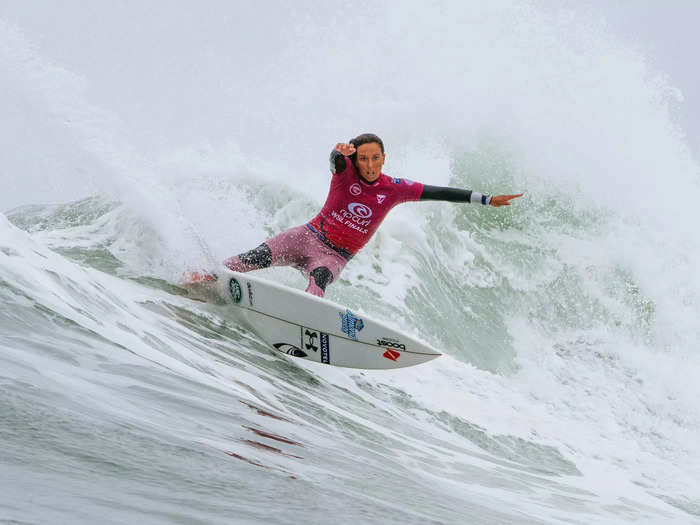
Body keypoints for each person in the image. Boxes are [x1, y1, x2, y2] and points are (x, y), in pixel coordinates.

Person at [223, 133, 522, 297]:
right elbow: (336, 160)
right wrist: (338, 152)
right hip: (305, 237)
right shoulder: (344, 174)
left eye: (375, 158)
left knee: (319, 282)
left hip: (334, 256)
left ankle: (300, 321)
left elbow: (439, 192)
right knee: (248, 260)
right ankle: (205, 276)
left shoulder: (394, 188)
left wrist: (486, 199)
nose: (369, 164)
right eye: (363, 158)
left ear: (383, 158)